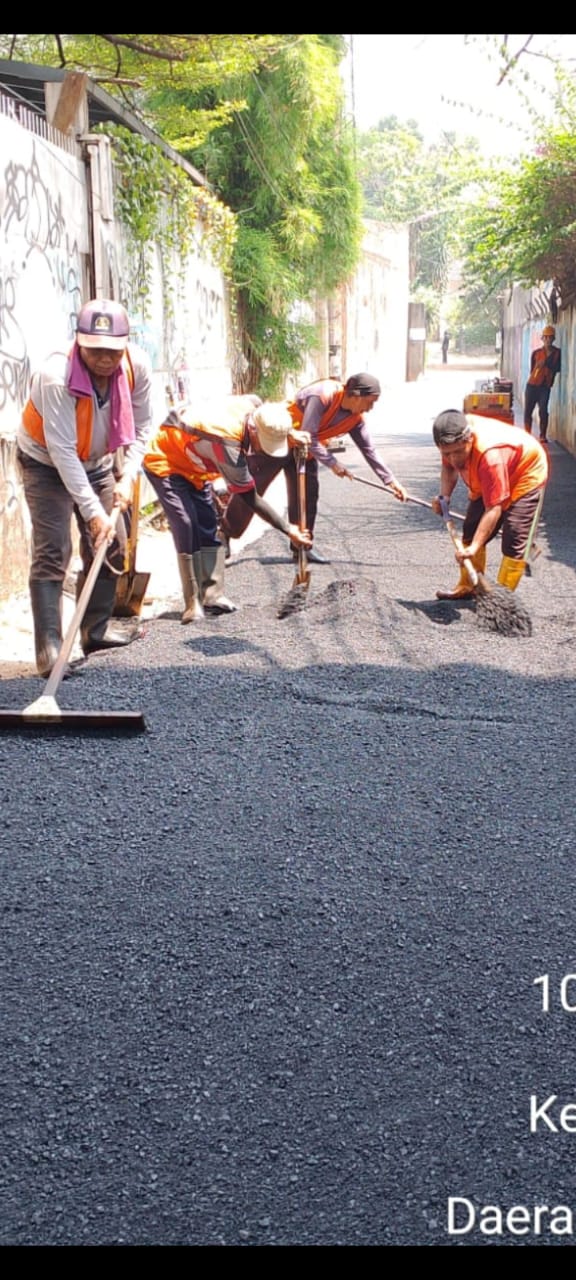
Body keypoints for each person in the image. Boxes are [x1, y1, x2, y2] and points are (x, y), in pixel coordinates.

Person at [17, 299, 153, 676]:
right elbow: (61, 450)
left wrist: (128, 477)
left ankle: (94, 631)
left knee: (112, 542)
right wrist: (93, 513)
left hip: (99, 462)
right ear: (79, 343)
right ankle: (49, 650)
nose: (105, 359)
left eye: (112, 350)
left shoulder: (136, 366)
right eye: (95, 350)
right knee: (53, 548)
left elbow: (143, 429)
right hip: (45, 462)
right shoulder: (55, 374)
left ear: (124, 345)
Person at [143, 397, 312, 622]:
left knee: (208, 523)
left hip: (196, 468)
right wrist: (287, 528)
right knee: (186, 523)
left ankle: (212, 595)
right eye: (265, 442)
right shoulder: (227, 444)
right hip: (166, 461)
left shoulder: (255, 408)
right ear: (253, 430)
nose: (264, 449)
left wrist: (287, 434)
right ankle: (192, 602)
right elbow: (249, 497)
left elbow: (261, 406)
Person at [222, 373, 407, 564]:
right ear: (357, 395)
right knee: (251, 491)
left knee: (307, 497)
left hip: (305, 451)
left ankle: (301, 546)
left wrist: (391, 482)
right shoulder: (323, 395)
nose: (370, 408)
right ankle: (225, 534)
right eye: (370, 402)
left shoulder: (356, 419)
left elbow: (369, 450)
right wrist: (333, 463)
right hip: (278, 441)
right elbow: (309, 434)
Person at [431, 409, 548, 598]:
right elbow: (449, 469)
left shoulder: (490, 455)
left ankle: (501, 600)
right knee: (471, 527)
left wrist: (474, 547)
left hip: (525, 472)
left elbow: (494, 509)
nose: (454, 459)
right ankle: (469, 586)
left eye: (458, 452)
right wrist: (444, 497)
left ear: (469, 439)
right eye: (448, 454)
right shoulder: (450, 435)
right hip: (489, 472)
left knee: (514, 535)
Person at [524, 324, 561, 443]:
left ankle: (542, 435)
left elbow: (557, 368)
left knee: (543, 410)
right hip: (532, 385)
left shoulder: (557, 353)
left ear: (553, 339)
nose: (548, 340)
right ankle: (527, 434)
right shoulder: (536, 353)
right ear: (542, 339)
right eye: (545, 337)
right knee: (528, 410)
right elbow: (532, 369)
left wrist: (544, 363)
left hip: (545, 387)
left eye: (550, 337)